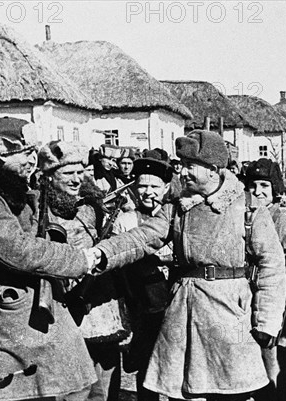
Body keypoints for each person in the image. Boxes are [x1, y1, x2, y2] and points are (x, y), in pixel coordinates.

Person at [93, 130, 286, 401]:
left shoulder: (249, 208)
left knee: (229, 392)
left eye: (189, 166)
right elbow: (141, 238)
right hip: (183, 313)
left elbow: (272, 267)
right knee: (182, 392)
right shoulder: (176, 208)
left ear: (213, 169)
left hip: (231, 315)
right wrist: (100, 254)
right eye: (180, 165)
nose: (181, 173)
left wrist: (267, 321)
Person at [0, 117, 101, 400]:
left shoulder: (8, 186)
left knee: (74, 384)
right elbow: (19, 250)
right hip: (7, 306)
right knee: (20, 392)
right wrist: (78, 259)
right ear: (1, 154)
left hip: (31, 301)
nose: (32, 161)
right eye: (25, 153)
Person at [38, 140, 128, 401]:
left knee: (105, 371)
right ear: (49, 176)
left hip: (99, 298)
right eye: (68, 173)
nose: (77, 179)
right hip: (61, 300)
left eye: (80, 171)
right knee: (70, 379)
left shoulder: (94, 205)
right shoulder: (37, 207)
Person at [245, 158, 286, 401]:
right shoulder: (245, 219)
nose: (257, 191)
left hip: (277, 316)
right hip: (251, 308)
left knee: (275, 382)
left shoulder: (285, 223)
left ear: (275, 189)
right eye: (252, 185)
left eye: (264, 185)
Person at [116, 149, 176, 401]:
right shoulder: (125, 221)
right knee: (145, 365)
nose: (148, 192)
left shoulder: (176, 218)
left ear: (166, 188)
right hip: (140, 303)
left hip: (172, 302)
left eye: (155, 186)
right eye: (142, 186)